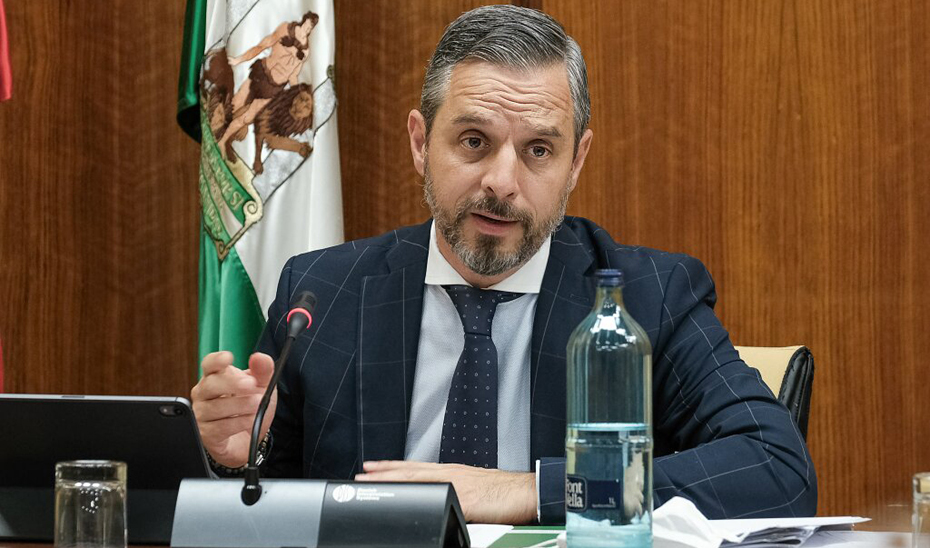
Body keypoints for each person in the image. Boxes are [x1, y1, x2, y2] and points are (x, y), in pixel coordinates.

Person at [191, 5, 817, 525]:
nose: (502, 182)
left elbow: (775, 468)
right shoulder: (321, 292)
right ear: (419, 141)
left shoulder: (650, 297)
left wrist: (525, 491)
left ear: (576, 161)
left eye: (539, 149)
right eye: (473, 142)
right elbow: (264, 504)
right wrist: (236, 459)